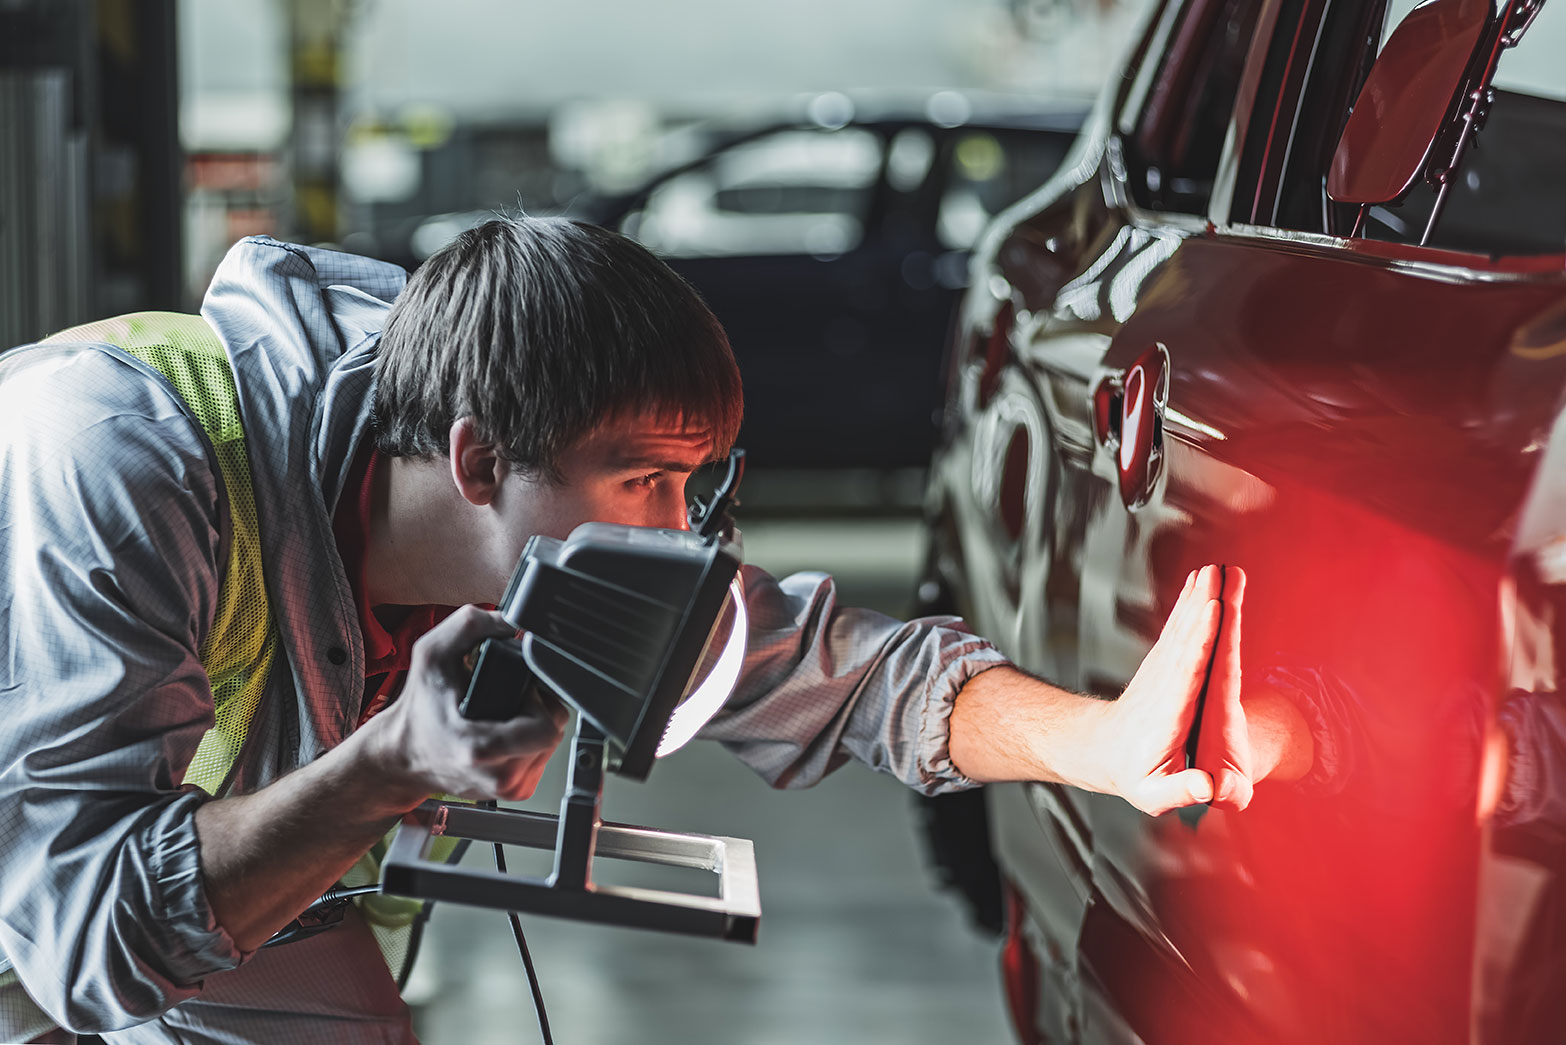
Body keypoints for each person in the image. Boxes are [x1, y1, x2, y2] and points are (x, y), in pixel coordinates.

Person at [0, 218, 1298, 1044]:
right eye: (643, 482)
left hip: (135, 887)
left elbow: (842, 675)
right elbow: (78, 934)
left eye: (693, 483)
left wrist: (1108, 741)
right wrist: (387, 765)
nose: (675, 533)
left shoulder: (530, 501)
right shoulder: (133, 461)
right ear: (475, 455)